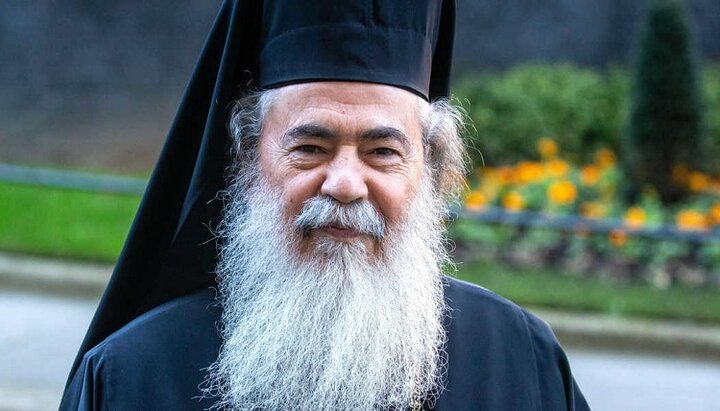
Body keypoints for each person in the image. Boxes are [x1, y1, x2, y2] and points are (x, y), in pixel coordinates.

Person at [61, 1, 590, 410]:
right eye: (309, 148)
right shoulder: (135, 379)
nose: (344, 184)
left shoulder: (521, 363)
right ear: (248, 163)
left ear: (428, 172)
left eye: (382, 152)